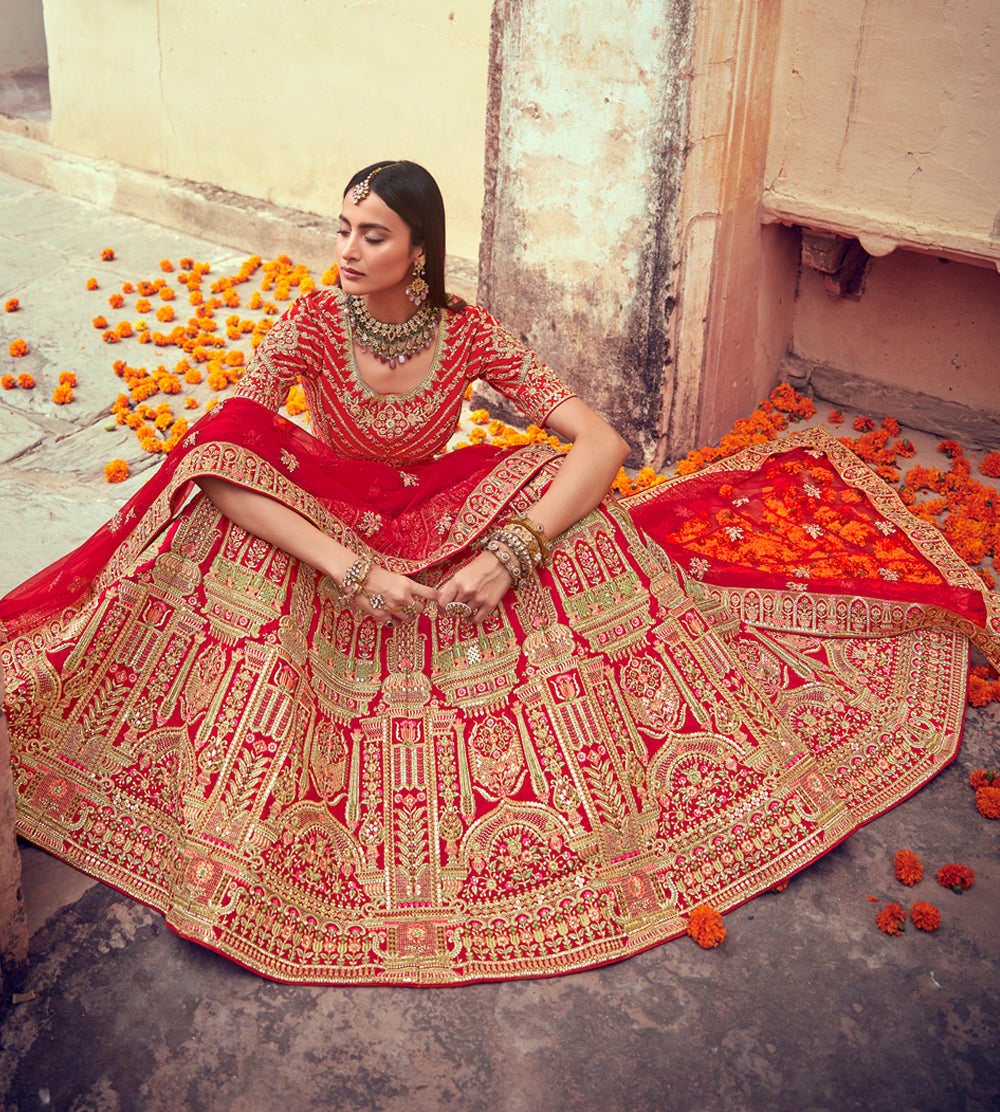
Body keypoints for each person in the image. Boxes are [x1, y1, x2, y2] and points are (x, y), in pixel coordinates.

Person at [1, 160, 996, 988]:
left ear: (419, 252)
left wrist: (512, 549)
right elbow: (223, 450)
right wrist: (350, 567)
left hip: (439, 514)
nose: (346, 252)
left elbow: (598, 442)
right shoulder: (308, 324)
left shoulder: (468, 333)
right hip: (336, 519)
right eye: (342, 228)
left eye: (371, 235)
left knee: (564, 502)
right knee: (219, 513)